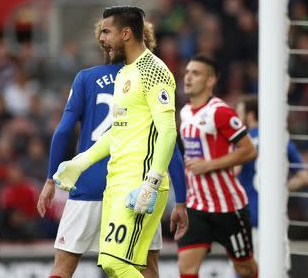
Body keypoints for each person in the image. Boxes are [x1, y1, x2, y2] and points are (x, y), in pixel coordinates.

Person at [37, 19, 188, 278]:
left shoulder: (86, 78)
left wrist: (52, 177)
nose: (104, 40)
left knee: (63, 266)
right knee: (145, 265)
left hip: (88, 185)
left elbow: (63, 130)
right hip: (134, 184)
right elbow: (167, 142)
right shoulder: (144, 78)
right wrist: (182, 199)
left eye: (107, 34)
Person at [177, 55, 258, 278]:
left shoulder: (220, 112)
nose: (188, 77)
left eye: (196, 73)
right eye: (187, 72)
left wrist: (209, 165)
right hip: (197, 206)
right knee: (186, 267)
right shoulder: (184, 113)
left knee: (245, 268)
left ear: (211, 80)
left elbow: (249, 150)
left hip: (227, 206)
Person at [235, 95, 308, 261]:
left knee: (245, 269)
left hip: (245, 218)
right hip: (274, 218)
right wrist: (280, 189)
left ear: (250, 115)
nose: (237, 120)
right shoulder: (280, 139)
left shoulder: (241, 141)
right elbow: (303, 177)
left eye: (239, 114)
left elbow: (232, 173)